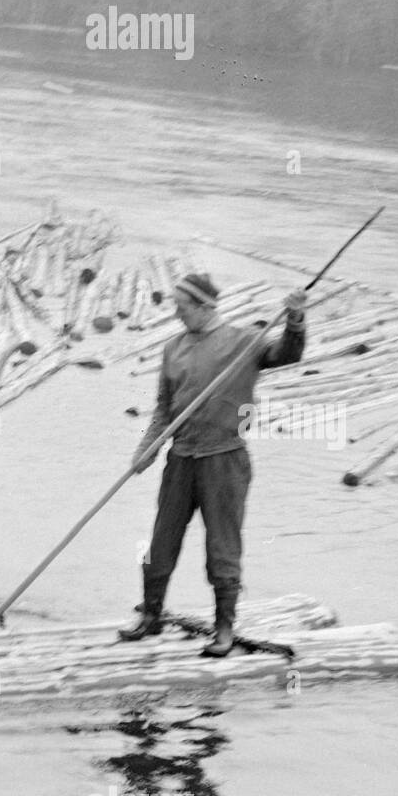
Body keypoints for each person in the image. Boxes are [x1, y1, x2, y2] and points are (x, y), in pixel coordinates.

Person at [120, 273, 308, 656]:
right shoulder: (173, 349)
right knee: (160, 542)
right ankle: (151, 616)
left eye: (183, 307)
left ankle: (223, 629)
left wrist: (295, 319)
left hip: (224, 460)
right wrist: (147, 448)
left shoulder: (244, 343)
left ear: (205, 307)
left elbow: (288, 354)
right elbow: (163, 410)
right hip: (181, 460)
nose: (176, 313)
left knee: (222, 547)